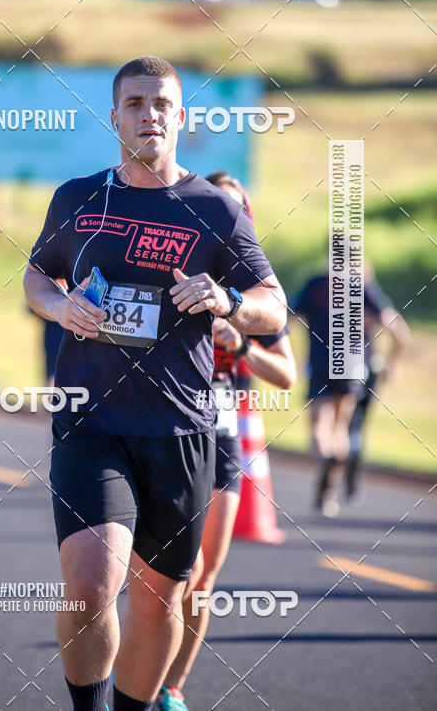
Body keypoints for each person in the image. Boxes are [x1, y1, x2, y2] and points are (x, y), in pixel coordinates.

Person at [23, 56, 287, 711]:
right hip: (92, 424)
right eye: (136, 104)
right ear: (114, 117)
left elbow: (274, 307)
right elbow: (36, 275)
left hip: (180, 430)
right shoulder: (78, 198)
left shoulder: (216, 209)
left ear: (180, 117)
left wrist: (227, 299)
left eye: (162, 103)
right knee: (91, 586)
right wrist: (58, 306)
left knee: (158, 601)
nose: (150, 115)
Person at [155, 172, 296, 711]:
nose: (230, 220)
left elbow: (287, 376)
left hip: (222, 435)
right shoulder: (172, 272)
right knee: (165, 575)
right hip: (165, 431)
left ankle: (170, 689)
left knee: (202, 577)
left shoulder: (254, 292)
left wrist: (241, 346)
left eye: (239, 212)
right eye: (219, 209)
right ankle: (139, 673)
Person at [294, 264, 406, 516]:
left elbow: (288, 316)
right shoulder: (360, 286)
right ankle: (329, 487)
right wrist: (392, 363)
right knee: (341, 427)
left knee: (319, 426)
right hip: (351, 366)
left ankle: (326, 466)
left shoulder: (315, 284)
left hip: (320, 364)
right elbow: (398, 330)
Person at [345, 261, 409, 501]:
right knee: (354, 425)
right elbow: (399, 332)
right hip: (362, 366)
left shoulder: (327, 288)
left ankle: (337, 483)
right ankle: (349, 483)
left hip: (341, 367)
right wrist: (392, 364)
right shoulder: (367, 290)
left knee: (345, 425)